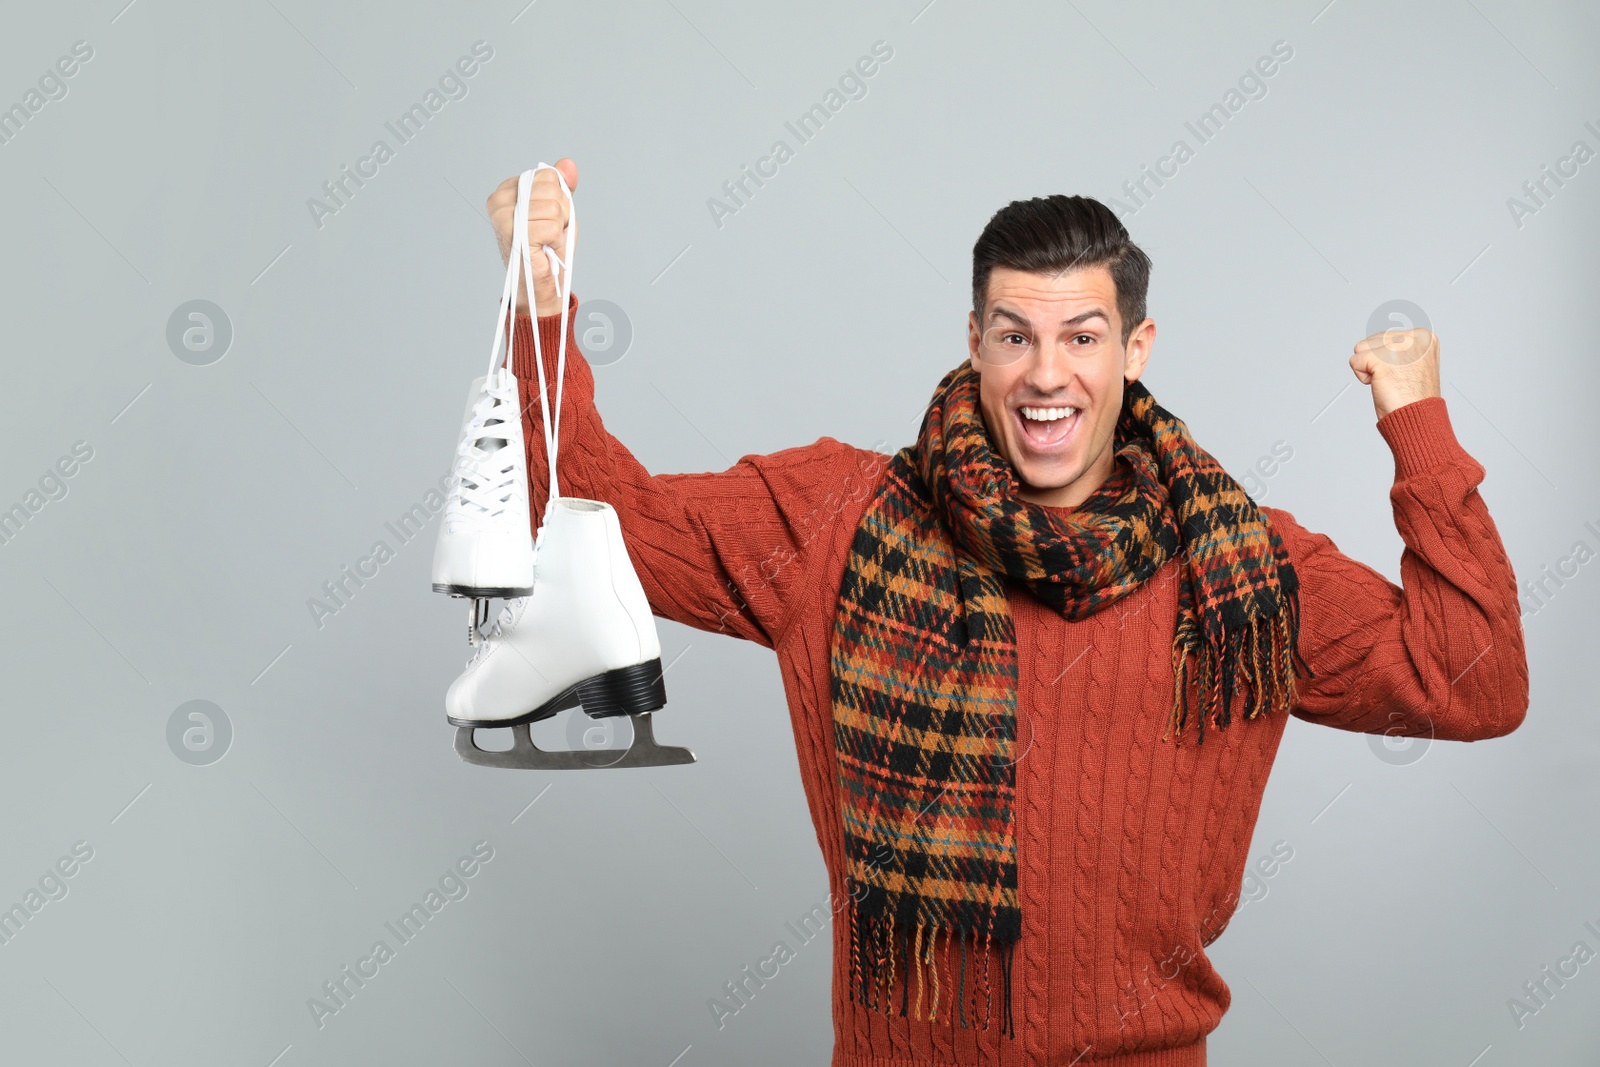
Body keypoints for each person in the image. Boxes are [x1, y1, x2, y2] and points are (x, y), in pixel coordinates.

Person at [484, 158, 1528, 1067]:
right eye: (1013, 334)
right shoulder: (836, 521)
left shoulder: (1237, 564)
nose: (1045, 373)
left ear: (1137, 347)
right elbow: (579, 522)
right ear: (975, 341)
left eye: (1082, 335)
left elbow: (1472, 679)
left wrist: (1417, 425)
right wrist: (539, 308)